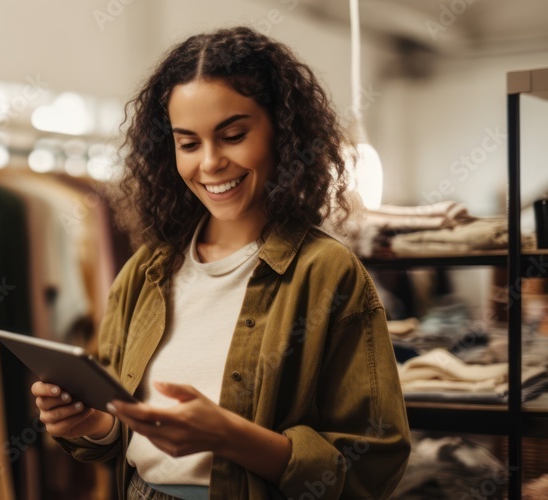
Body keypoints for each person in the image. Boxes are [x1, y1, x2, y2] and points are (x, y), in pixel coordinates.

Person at [30, 26, 411, 499]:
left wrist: (230, 437)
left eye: (232, 135)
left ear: (282, 133)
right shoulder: (148, 270)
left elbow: (373, 466)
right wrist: (93, 424)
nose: (209, 163)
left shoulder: (327, 272)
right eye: (188, 144)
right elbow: (123, 432)